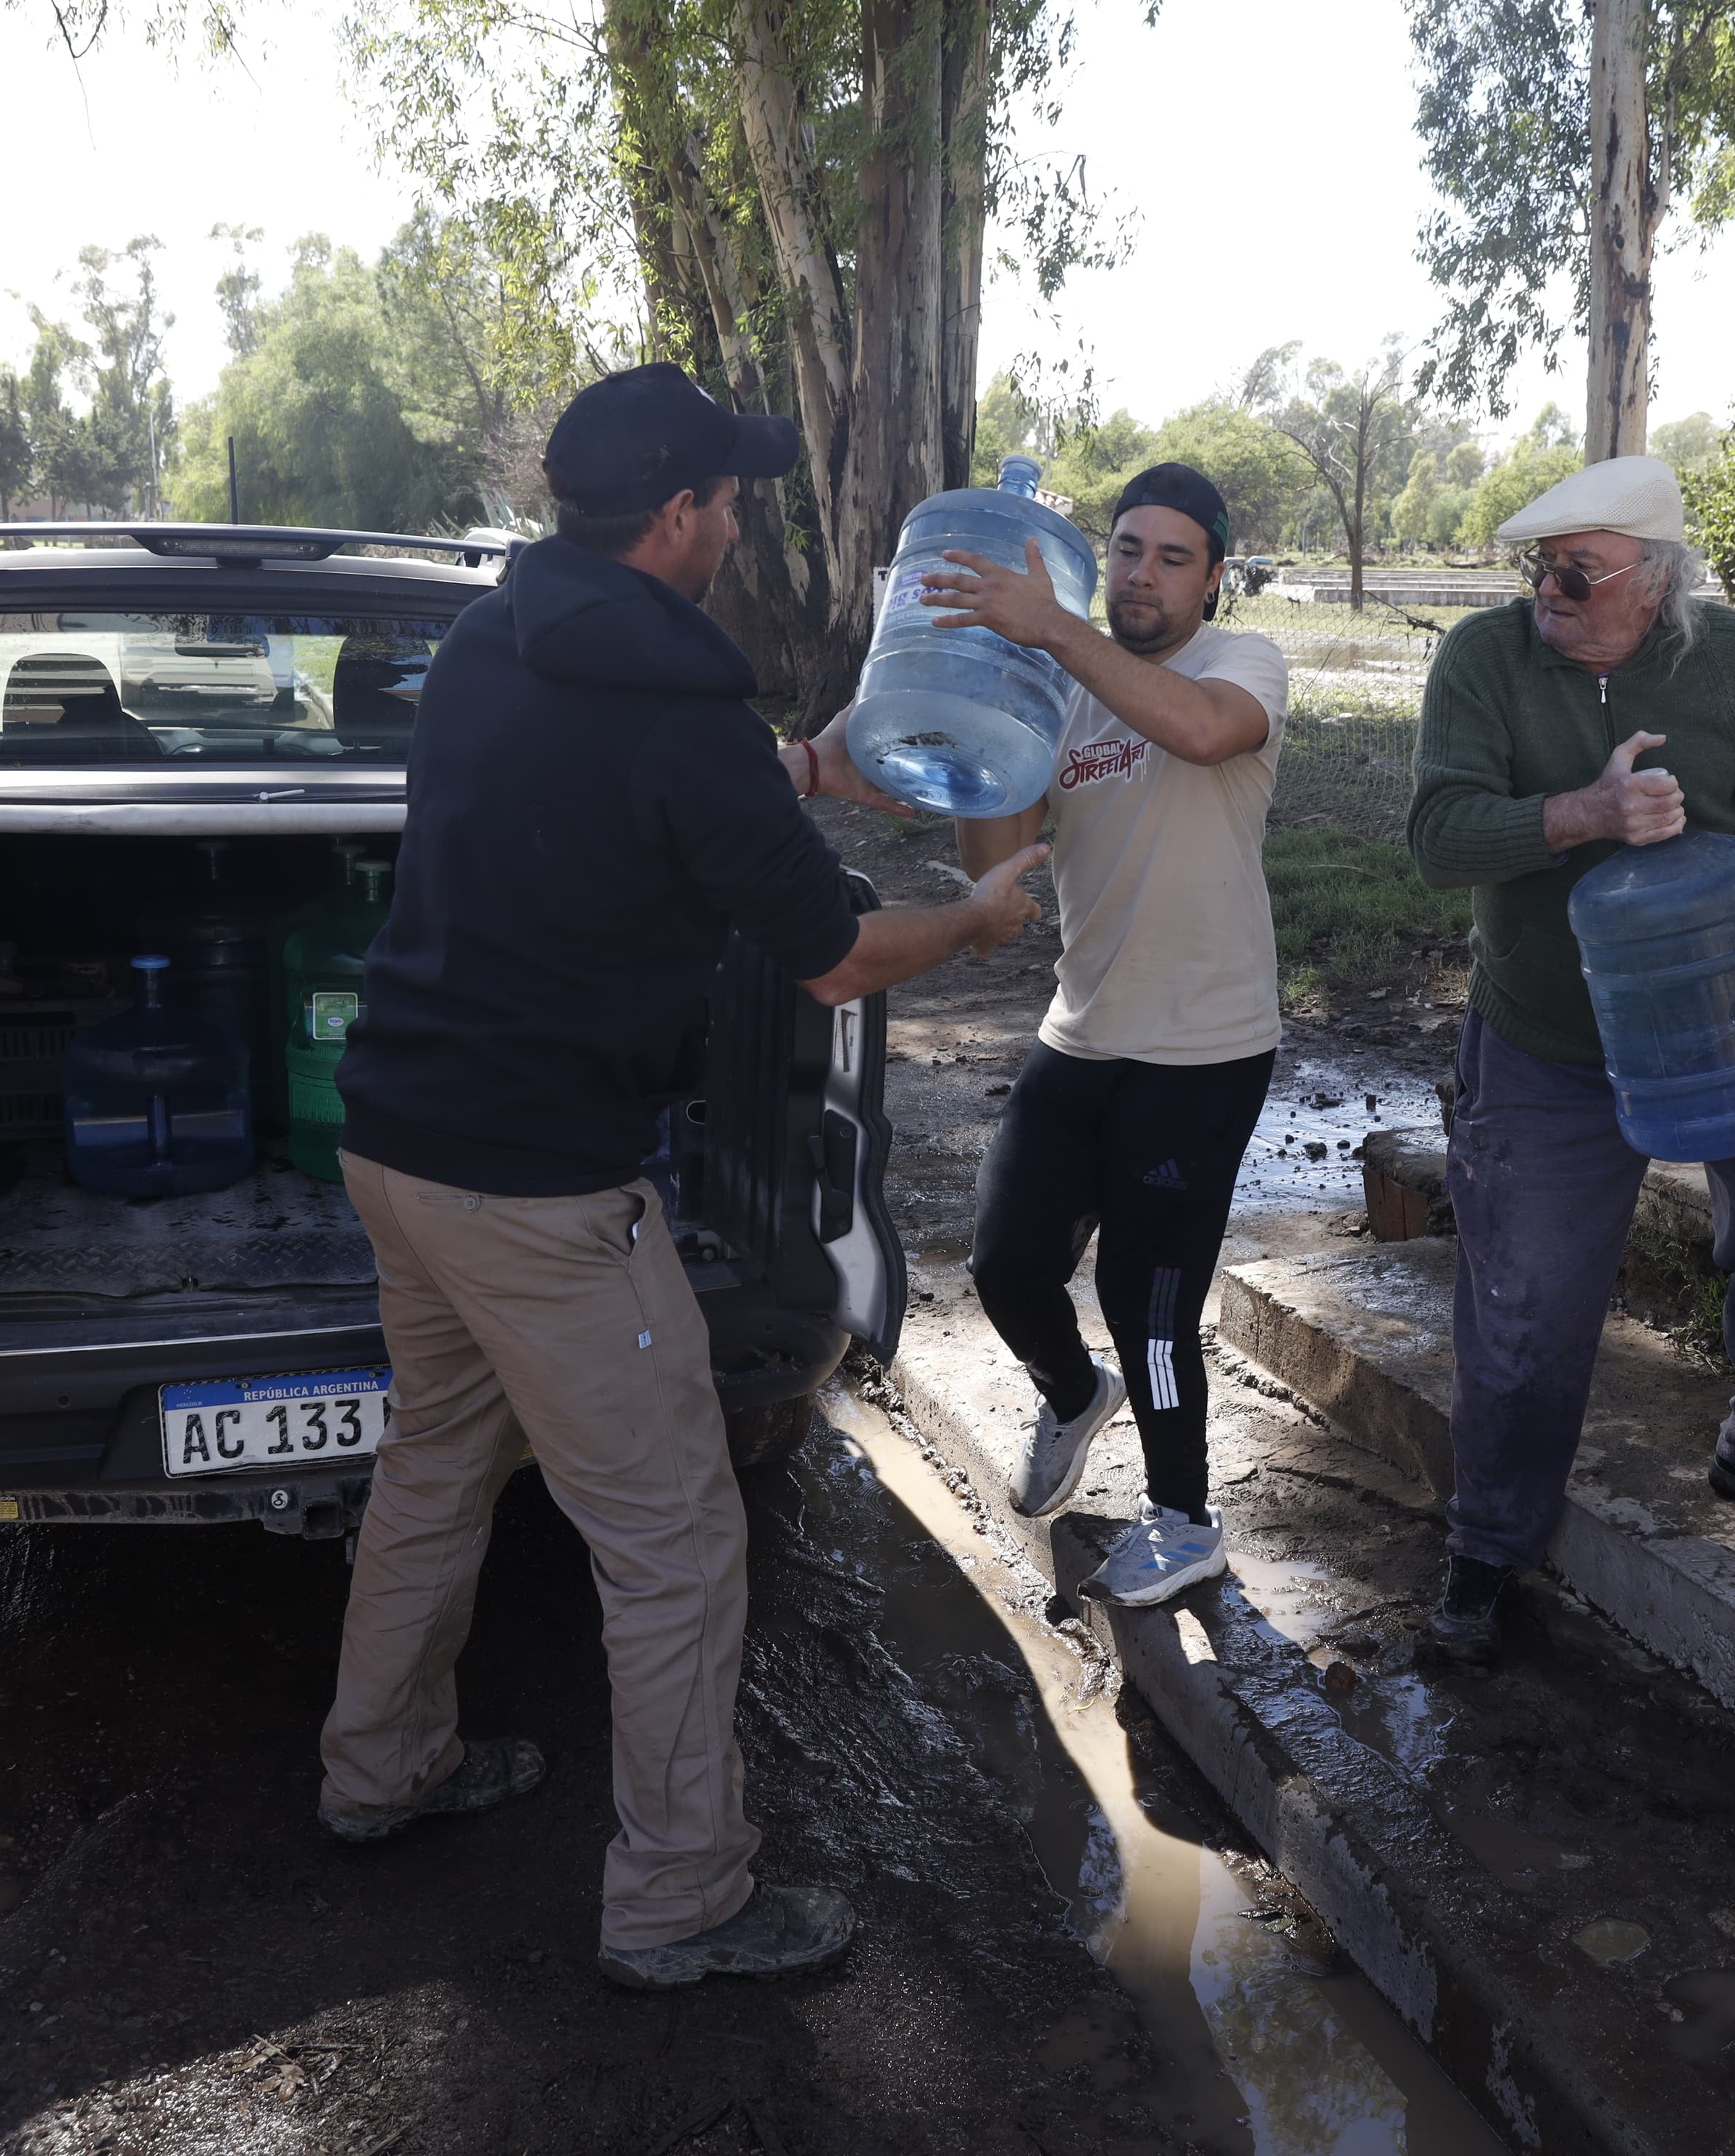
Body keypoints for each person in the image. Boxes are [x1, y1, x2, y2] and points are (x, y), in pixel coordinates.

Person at [316, 363, 1048, 1992]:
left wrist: (799, 770)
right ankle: (678, 1901)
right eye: (727, 500)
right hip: (539, 1192)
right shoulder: (676, 713)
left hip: (397, 1148)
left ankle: (378, 1774)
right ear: (674, 518)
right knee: (674, 1540)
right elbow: (842, 959)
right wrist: (978, 924)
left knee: (434, 1464)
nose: (738, 522)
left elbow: (620, 801)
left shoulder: (491, 647)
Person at [1405, 456, 1735, 1670]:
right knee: (1521, 1308)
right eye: (1535, 568)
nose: (1545, 592)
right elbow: (1438, 837)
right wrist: (1581, 815)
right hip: (1543, 1034)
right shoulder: (1484, 661)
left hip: (1724, 1022)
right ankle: (1486, 1542)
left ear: (1655, 579)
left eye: (1575, 570)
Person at [915, 464, 1289, 1607]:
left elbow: (1201, 732)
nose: (1143, 574)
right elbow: (997, 877)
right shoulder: (1064, 687)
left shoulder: (1240, 666)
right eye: (1127, 549)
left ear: (1214, 578)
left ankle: (1183, 1519)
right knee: (1005, 1265)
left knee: (1153, 1301)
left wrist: (1055, 633)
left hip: (1207, 1047)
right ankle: (1074, 1395)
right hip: (1083, 1034)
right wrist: (987, 702)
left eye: (1174, 557)